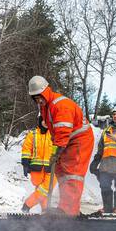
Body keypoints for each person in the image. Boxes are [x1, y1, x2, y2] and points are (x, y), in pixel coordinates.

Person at [28, 76, 94, 216]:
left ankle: (68, 211)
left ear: (46, 91)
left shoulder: (60, 105)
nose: (38, 100)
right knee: (61, 171)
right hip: (67, 141)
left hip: (79, 140)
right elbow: (56, 132)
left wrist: (57, 151)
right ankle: (67, 208)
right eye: (35, 98)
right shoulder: (46, 107)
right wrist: (55, 152)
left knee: (72, 173)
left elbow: (63, 131)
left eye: (39, 96)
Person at [21, 122, 56, 213]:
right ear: (40, 120)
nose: (46, 122)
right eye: (43, 119)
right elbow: (26, 149)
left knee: (45, 189)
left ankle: (27, 205)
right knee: (41, 190)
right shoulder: (33, 134)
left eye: (47, 119)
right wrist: (25, 163)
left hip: (52, 167)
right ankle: (45, 211)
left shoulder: (55, 133)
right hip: (36, 168)